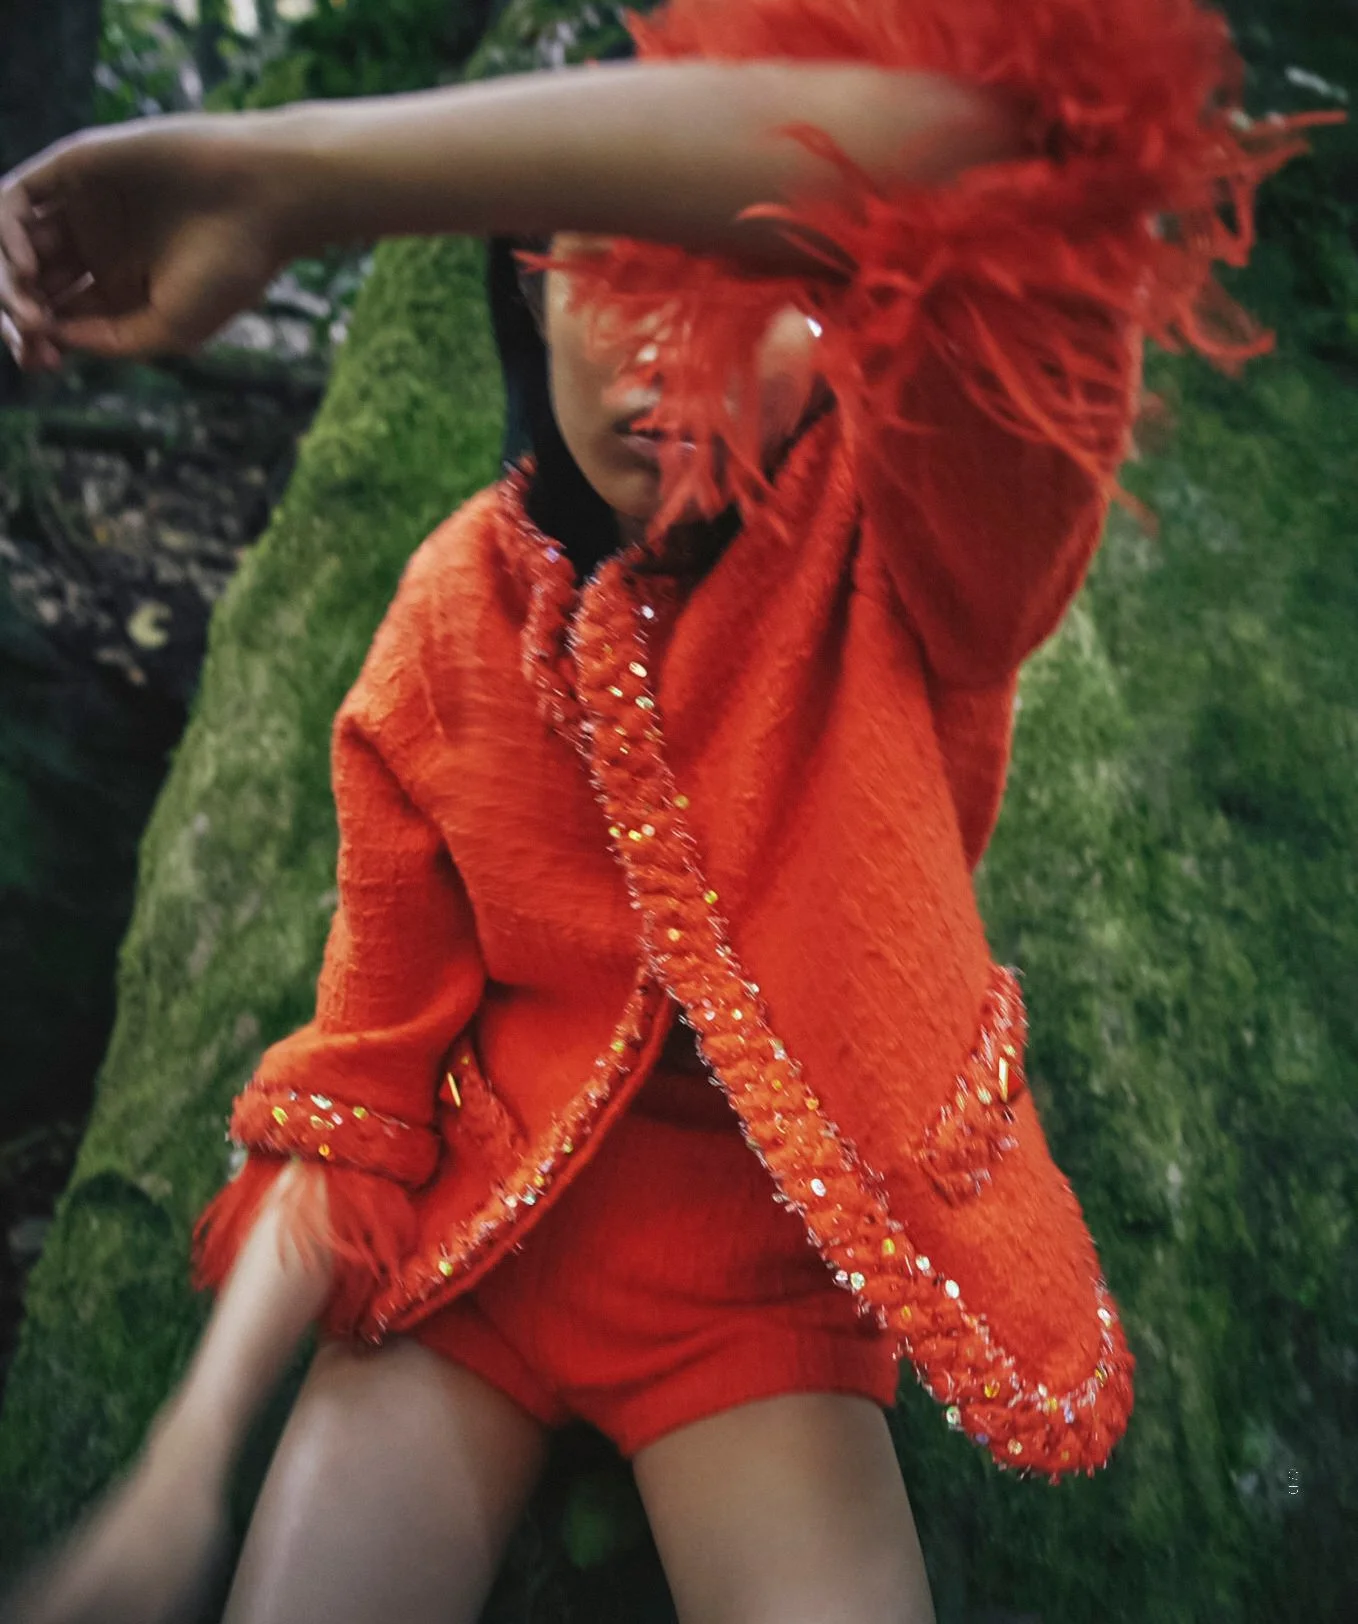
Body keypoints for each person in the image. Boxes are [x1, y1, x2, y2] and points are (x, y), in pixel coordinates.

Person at [0, 2, 1324, 1621]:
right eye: (612, 274)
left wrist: (278, 178)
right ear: (520, 288)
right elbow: (359, 1081)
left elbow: (1005, 152)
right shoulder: (448, 616)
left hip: (755, 1289)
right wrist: (179, 1468)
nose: (668, 351)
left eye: (754, 286)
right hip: (472, 1257)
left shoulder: (917, 554)